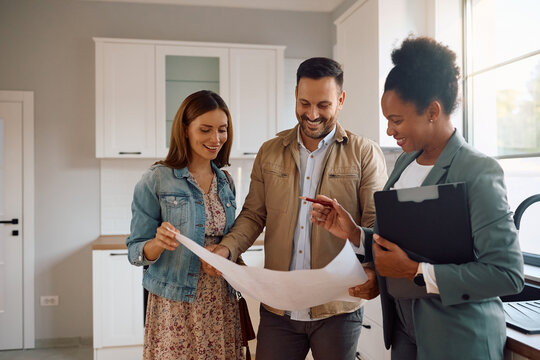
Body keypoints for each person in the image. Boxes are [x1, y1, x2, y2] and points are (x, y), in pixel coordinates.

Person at [310, 36, 525, 360]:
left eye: (396, 120)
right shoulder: (406, 163)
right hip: (405, 334)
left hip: (457, 340)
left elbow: (507, 273)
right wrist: (354, 233)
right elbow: (399, 247)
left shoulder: (477, 170)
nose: (389, 131)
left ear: (432, 111)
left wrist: (415, 271)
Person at [203, 57, 388, 360]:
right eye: (304, 103)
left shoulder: (364, 153)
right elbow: (253, 215)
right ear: (296, 96)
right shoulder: (270, 151)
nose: (312, 114)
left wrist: (372, 272)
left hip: (337, 309)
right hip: (279, 308)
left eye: (323, 105)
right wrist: (227, 250)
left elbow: (375, 224)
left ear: (341, 100)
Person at [126, 90, 244, 359]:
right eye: (205, 129)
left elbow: (231, 240)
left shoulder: (226, 182)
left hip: (221, 303)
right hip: (176, 306)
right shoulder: (157, 179)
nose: (216, 139)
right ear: (185, 129)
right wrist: (157, 243)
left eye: (222, 130)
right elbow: (135, 252)